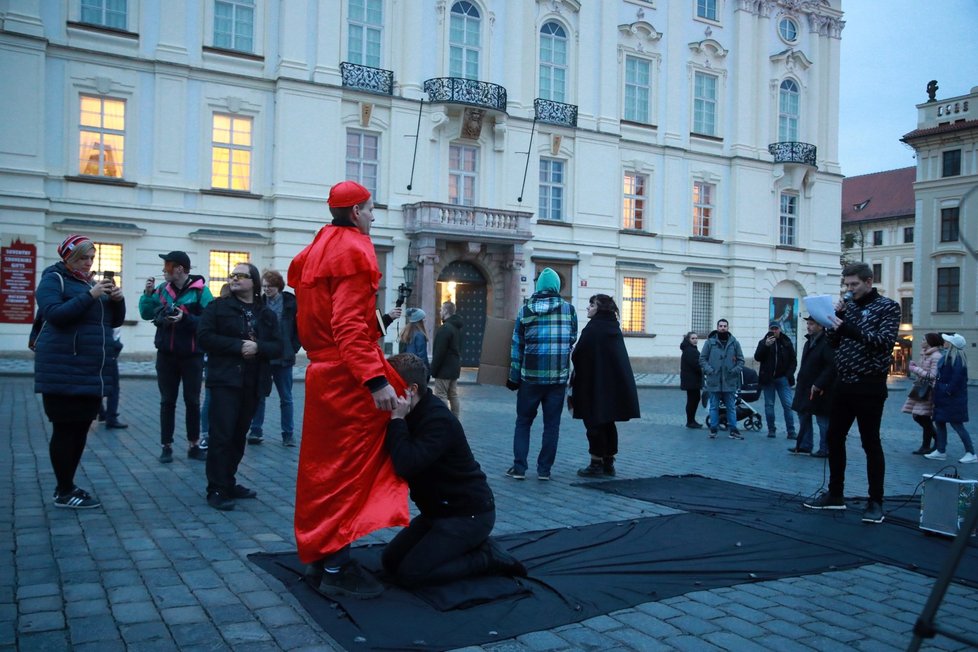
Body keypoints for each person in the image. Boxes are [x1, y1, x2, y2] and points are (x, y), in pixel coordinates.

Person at [288, 180, 409, 600]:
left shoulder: (316, 247)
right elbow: (347, 327)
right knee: (350, 470)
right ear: (356, 211)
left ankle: (318, 554)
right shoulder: (355, 248)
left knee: (321, 471)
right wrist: (375, 380)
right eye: (371, 209)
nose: (374, 216)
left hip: (323, 371)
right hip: (346, 376)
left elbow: (325, 323)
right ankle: (337, 566)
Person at [382, 353, 526, 588]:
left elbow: (406, 464)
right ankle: (468, 547)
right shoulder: (412, 412)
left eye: (390, 386)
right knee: (390, 562)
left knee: (411, 575)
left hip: (468, 514)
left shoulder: (437, 420)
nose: (386, 393)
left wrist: (396, 420)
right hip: (437, 513)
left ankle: (486, 557)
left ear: (410, 389)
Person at [33, 234, 125, 509]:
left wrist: (117, 300)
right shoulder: (54, 279)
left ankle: (68, 485)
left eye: (91, 258)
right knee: (65, 429)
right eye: (82, 258)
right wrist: (90, 295)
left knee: (82, 428)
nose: (88, 263)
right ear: (68, 258)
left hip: (91, 370)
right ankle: (63, 490)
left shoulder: (90, 283)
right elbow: (55, 314)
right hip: (62, 368)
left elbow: (113, 320)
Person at [803, 262, 901, 524]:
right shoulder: (850, 308)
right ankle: (836, 494)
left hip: (870, 383)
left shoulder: (888, 307)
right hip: (843, 383)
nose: (849, 290)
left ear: (869, 282)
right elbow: (836, 344)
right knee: (834, 438)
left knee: (871, 442)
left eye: (854, 285)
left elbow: (882, 342)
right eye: (846, 285)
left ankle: (875, 501)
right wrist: (834, 324)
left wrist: (847, 327)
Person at [198, 263, 282, 510]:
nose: (234, 278)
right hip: (225, 380)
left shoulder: (265, 313)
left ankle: (229, 481)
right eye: (232, 275)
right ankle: (216, 488)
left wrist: (259, 348)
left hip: (253, 382)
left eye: (240, 275)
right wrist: (237, 346)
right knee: (221, 436)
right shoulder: (217, 307)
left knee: (238, 436)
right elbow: (204, 337)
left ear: (253, 282)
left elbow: (278, 346)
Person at [139, 250, 214, 464]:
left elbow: (209, 322)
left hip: (192, 355)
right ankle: (166, 446)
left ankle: (193, 444)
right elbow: (146, 314)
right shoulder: (162, 291)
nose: (164, 270)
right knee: (167, 401)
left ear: (179, 269)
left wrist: (185, 318)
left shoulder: (201, 292)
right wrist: (147, 294)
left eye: (167, 266)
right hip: (166, 355)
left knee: (192, 401)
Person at [505, 268, 578, 481]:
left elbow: (516, 346)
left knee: (523, 422)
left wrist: (513, 376)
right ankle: (544, 470)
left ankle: (519, 468)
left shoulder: (525, 310)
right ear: (556, 286)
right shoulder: (569, 310)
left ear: (538, 287)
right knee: (552, 425)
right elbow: (572, 338)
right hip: (557, 378)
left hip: (530, 377)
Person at [569, 294, 640, 477]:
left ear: (600, 308)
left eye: (591, 304)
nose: (588, 308)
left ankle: (596, 463)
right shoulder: (612, 327)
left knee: (593, 423)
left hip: (592, 385)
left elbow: (579, 354)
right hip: (611, 386)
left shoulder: (593, 329)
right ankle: (609, 462)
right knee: (608, 422)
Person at [248, 269, 302, 447]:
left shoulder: (290, 304)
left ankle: (288, 434)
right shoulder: (259, 303)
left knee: (286, 397)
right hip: (264, 355)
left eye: (270, 286)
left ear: (278, 286)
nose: (266, 290)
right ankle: (256, 431)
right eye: (264, 287)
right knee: (260, 394)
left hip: (284, 356)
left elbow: (298, 329)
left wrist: (293, 348)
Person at [925, 333, 976, 464]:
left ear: (952, 344)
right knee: (940, 422)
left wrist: (947, 390)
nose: (945, 342)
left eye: (947, 341)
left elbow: (957, 379)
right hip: (944, 397)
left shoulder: (957, 358)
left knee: (957, 425)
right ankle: (941, 450)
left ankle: (971, 452)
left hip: (951, 398)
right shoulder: (948, 356)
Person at [790, 316, 835, 457]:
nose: (808, 326)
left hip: (820, 388)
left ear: (820, 326)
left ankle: (825, 448)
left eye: (811, 324)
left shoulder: (827, 342)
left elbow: (831, 366)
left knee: (822, 419)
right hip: (805, 386)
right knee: (803, 414)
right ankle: (804, 445)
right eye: (808, 324)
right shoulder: (808, 342)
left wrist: (819, 384)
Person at [700, 319, 745, 440]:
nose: (723, 328)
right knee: (714, 406)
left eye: (725, 326)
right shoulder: (710, 343)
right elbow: (702, 359)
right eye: (720, 326)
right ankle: (713, 429)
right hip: (714, 380)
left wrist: (734, 371)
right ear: (717, 327)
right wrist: (709, 370)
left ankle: (733, 430)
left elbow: (741, 360)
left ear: (728, 327)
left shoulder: (734, 343)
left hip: (729, 381)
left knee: (731, 407)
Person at [754, 321, 797, 439]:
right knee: (769, 404)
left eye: (776, 329)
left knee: (788, 405)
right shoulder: (763, 342)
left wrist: (788, 375)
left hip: (782, 378)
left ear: (780, 329)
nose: (774, 331)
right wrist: (765, 346)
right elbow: (757, 357)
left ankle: (791, 431)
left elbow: (793, 361)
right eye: (772, 329)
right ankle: (771, 429)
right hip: (768, 379)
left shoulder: (787, 342)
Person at [903, 332, 944, 455]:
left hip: (928, 390)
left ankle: (930, 443)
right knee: (918, 416)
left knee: (923, 417)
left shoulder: (935, 356)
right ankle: (933, 442)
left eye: (923, 339)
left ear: (930, 342)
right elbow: (925, 372)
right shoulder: (926, 354)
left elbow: (933, 375)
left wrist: (915, 369)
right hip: (921, 388)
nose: (921, 341)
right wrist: (916, 367)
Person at [430, 301, 463, 417]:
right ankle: (455, 419)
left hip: (444, 369)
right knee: (453, 395)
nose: (440, 312)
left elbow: (439, 353)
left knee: (441, 395)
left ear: (445, 311)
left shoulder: (445, 328)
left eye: (441, 310)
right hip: (454, 367)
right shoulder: (457, 328)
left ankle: (445, 420)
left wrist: (433, 370)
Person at [97, 326, 127, 429]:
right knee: (113, 387)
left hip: (93, 352)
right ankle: (111, 417)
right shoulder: (111, 313)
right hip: (108, 353)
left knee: (96, 383)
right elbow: (115, 335)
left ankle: (101, 412)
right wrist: (117, 347)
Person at [680, 331, 703, 428]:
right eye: (693, 338)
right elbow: (696, 365)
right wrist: (703, 370)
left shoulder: (690, 349)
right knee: (693, 400)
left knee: (693, 400)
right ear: (688, 339)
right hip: (691, 380)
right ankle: (690, 421)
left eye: (696, 338)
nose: (695, 340)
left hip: (691, 380)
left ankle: (691, 420)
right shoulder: (690, 350)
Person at [400, 308, 430, 378]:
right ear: (420, 321)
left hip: (406, 369)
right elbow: (422, 356)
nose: (425, 320)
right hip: (417, 371)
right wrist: (427, 372)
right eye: (423, 318)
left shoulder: (405, 333)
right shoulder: (420, 335)